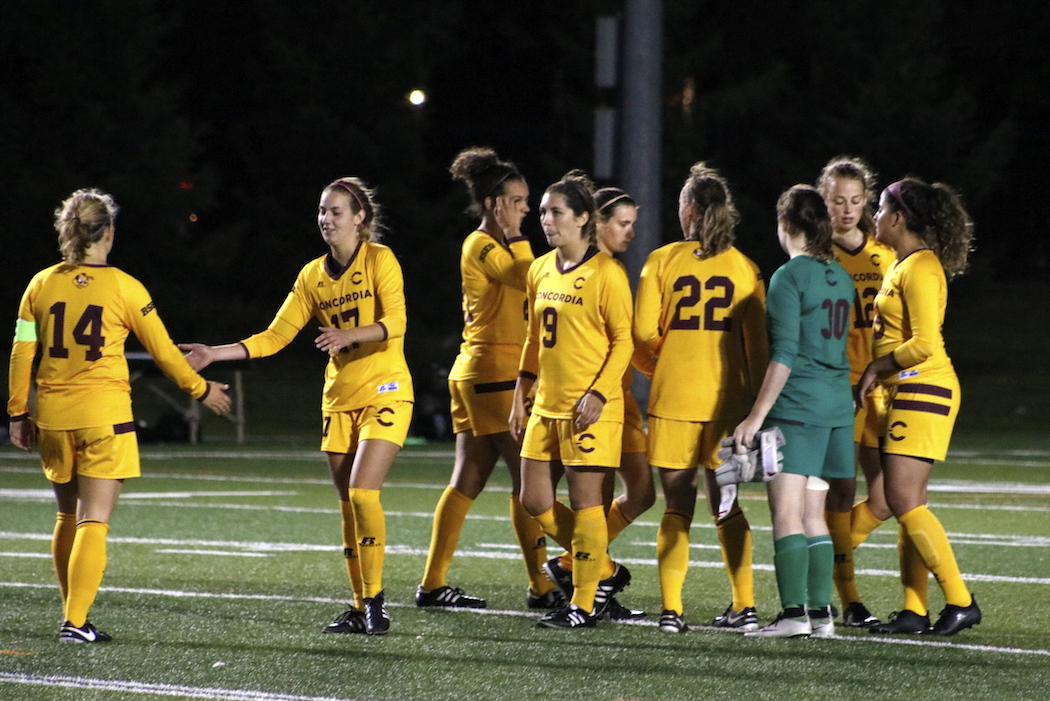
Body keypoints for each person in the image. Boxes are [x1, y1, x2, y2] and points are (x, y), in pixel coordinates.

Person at [180, 177, 411, 636]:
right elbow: (274, 337)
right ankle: (359, 604)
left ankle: (377, 603)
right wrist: (213, 353)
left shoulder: (380, 259)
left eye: (336, 211)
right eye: (322, 211)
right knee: (349, 506)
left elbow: (396, 321)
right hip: (339, 399)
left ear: (359, 216)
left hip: (386, 389)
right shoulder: (311, 276)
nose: (326, 219)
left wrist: (349, 335)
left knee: (365, 493)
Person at [7, 188, 232, 643]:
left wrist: (17, 413)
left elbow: (20, 353)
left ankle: (73, 613)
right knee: (94, 521)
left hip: (51, 417)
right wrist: (202, 388)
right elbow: (165, 353)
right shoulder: (126, 288)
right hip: (103, 418)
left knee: (67, 516)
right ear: (108, 232)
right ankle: (75, 620)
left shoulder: (40, 283)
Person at [415, 147, 563, 611]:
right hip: (495, 375)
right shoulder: (482, 244)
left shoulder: (497, 243)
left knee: (468, 480)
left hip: (481, 375)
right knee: (532, 485)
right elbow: (528, 277)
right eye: (517, 201)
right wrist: (517, 233)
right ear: (493, 204)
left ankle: (432, 584)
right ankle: (547, 585)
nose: (525, 209)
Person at [633, 163, 768, 634]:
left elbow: (643, 332)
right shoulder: (746, 268)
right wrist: (752, 404)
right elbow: (758, 351)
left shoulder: (661, 260)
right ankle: (745, 605)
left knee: (676, 505)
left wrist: (662, 366)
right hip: (727, 403)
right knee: (726, 505)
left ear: (687, 209)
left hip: (673, 399)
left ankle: (672, 612)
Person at [509, 171, 635, 629]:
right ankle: (600, 568)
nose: (545, 220)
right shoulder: (540, 269)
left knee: (587, 506)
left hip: (590, 409)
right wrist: (521, 392)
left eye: (555, 212)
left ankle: (583, 604)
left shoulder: (608, 274)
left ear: (583, 218)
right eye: (542, 212)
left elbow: (623, 342)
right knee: (534, 499)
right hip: (546, 404)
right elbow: (532, 337)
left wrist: (600, 393)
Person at [858, 177, 980, 636]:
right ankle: (913, 610)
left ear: (899, 217)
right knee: (908, 503)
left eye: (880, 209)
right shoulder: (902, 263)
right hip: (908, 390)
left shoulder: (922, 266)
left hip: (924, 386)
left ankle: (961, 600)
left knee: (903, 500)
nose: (874, 217)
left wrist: (876, 367)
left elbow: (924, 344)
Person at [734, 184, 854, 639]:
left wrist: (755, 417)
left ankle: (791, 615)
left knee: (785, 512)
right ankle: (821, 615)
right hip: (836, 408)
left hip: (798, 407)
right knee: (813, 514)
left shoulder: (788, 275)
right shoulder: (839, 274)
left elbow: (783, 353)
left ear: (786, 225)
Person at [542, 187, 654, 622]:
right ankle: (592, 576)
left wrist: (663, 369)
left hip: (614, 398)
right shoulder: (585, 270)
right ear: (596, 221)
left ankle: (583, 569)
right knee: (591, 497)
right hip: (591, 401)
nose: (629, 233)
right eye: (622, 224)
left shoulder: (610, 271)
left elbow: (625, 341)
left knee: (640, 493)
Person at [816, 156, 893, 628]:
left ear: (867, 202)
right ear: (823, 200)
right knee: (841, 495)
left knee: (887, 498)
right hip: (838, 388)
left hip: (882, 386)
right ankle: (850, 599)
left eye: (855, 200)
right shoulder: (817, 257)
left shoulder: (885, 252)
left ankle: (822, 564)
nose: (846, 210)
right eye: (837, 200)